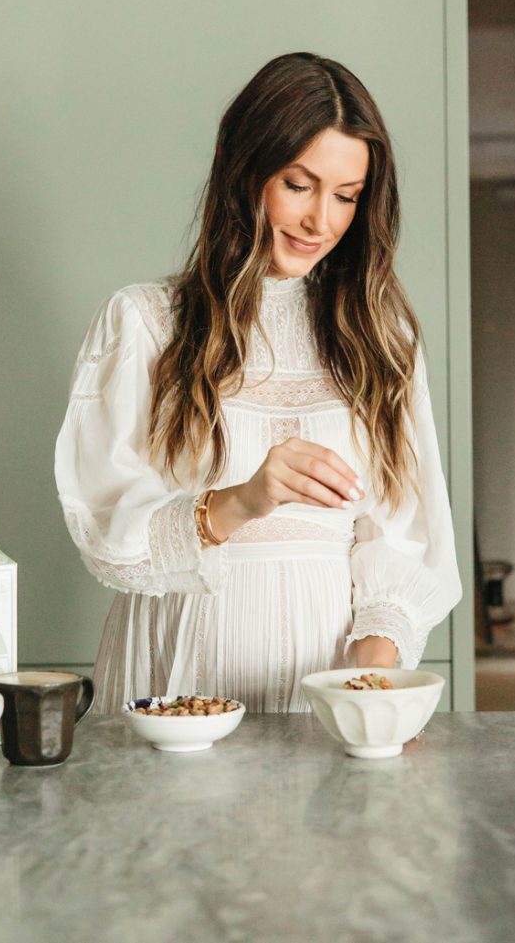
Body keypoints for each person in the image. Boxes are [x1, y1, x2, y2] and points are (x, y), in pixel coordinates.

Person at [54, 52, 462, 713]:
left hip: (325, 689)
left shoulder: (382, 339)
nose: (321, 221)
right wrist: (243, 499)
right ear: (247, 172)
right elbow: (110, 541)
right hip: (175, 677)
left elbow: (400, 539)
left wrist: (375, 682)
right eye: (299, 185)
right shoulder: (146, 324)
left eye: (347, 196)